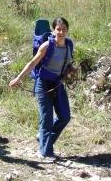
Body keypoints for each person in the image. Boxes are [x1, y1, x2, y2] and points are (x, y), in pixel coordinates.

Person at [9, 17, 74, 162]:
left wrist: (71, 70)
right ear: (53, 30)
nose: (61, 32)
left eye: (64, 29)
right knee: (47, 119)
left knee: (65, 117)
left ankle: (42, 137)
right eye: (58, 29)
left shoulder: (69, 45)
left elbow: (67, 64)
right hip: (43, 84)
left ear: (67, 30)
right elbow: (32, 63)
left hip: (58, 84)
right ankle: (45, 152)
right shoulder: (46, 45)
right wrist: (18, 78)